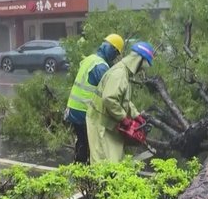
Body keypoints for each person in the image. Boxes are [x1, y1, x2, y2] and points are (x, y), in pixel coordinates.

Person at [86, 41, 155, 163]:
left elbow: (124, 100)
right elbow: (109, 98)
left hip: (107, 123)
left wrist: (136, 115)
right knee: (104, 162)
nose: (141, 70)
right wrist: (124, 119)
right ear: (138, 61)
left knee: (115, 159)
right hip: (100, 123)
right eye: (142, 66)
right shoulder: (119, 74)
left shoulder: (124, 73)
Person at [65, 34, 125, 164]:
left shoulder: (90, 59)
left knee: (82, 140)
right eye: (115, 54)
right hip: (84, 111)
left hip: (73, 108)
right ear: (111, 49)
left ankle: (79, 168)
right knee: (93, 143)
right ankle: (87, 172)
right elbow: (109, 94)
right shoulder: (101, 67)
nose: (115, 58)